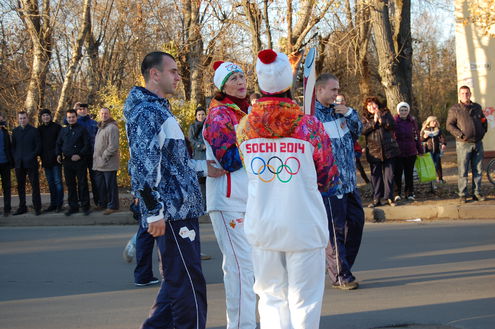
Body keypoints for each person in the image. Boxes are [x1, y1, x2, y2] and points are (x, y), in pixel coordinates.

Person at [236, 49, 339, 329]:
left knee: (270, 299)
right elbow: (328, 176)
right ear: (287, 84)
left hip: (263, 225)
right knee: (304, 301)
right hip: (303, 225)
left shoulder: (244, 128)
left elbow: (249, 169)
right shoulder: (309, 127)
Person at [123, 51, 224, 329]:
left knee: (177, 281)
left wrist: (206, 168)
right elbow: (143, 167)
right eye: (173, 71)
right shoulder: (147, 112)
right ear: (155, 74)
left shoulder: (159, 109)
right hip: (172, 213)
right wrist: (153, 212)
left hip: (180, 209)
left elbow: (174, 165)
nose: (179, 76)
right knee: (189, 286)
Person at [202, 60, 256, 329]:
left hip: (248, 200)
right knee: (240, 268)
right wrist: (255, 138)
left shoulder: (244, 111)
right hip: (227, 202)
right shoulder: (219, 115)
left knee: (250, 267)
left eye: (242, 76)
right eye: (233, 78)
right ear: (222, 86)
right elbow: (229, 160)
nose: (240, 81)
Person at [314, 74, 364, 291]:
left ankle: (341, 267)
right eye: (333, 90)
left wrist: (351, 114)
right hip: (329, 185)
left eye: (338, 90)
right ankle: (340, 275)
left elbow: (358, 131)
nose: (337, 94)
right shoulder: (311, 116)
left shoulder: (341, 113)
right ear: (319, 91)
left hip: (349, 182)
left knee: (356, 223)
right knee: (335, 232)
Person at [447, 85, 487, 203]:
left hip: (478, 143)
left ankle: (477, 193)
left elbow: (483, 120)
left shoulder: (477, 107)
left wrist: (483, 131)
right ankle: (462, 194)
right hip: (463, 144)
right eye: (463, 93)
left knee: (478, 170)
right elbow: (449, 125)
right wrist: (460, 135)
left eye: (467, 93)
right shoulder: (455, 109)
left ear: (470, 94)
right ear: (459, 95)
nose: (465, 95)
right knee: (463, 170)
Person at [361, 97, 401, 208]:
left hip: (389, 150)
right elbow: (363, 131)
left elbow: (393, 126)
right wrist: (373, 122)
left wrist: (381, 121)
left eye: (373, 104)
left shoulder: (386, 113)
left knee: (389, 175)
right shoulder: (364, 118)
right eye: (369, 105)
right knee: (376, 176)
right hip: (374, 152)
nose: (372, 107)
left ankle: (389, 197)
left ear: (378, 105)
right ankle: (376, 198)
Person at [56, 109, 92, 216]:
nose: (71, 119)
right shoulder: (63, 130)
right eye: (69, 117)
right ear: (66, 118)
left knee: (82, 184)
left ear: (76, 117)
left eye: (73, 117)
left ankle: (85, 206)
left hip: (80, 161)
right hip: (67, 161)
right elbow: (58, 143)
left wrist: (79, 155)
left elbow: (87, 145)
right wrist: (58, 154)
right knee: (70, 185)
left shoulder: (82, 129)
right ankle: (73, 206)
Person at [11, 111, 42, 216]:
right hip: (19, 163)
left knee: (35, 185)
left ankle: (37, 207)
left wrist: (32, 156)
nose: (22, 120)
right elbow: (13, 147)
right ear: (18, 119)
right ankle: (22, 207)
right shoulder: (15, 131)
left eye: (24, 118)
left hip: (31, 162)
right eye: (20, 118)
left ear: (27, 118)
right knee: (20, 186)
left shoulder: (34, 131)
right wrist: (16, 157)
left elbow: (38, 146)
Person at [335, 94, 370, 184]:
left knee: (357, 166)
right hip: (337, 151)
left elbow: (358, 130)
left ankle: (365, 180)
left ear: (345, 102)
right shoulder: (331, 115)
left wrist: (348, 124)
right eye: (338, 100)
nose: (340, 102)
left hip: (352, 148)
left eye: (342, 100)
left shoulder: (351, 113)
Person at [393, 102, 422, 202]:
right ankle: (396, 193)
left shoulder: (412, 121)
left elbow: (417, 136)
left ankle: (409, 193)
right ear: (398, 111)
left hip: (411, 151)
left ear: (408, 111)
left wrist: (420, 149)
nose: (403, 112)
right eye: (401, 110)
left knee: (409, 174)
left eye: (405, 110)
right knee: (397, 173)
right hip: (398, 152)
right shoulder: (394, 121)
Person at [93, 107, 120, 215]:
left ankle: (113, 206)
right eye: (102, 113)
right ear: (99, 114)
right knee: (101, 186)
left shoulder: (112, 127)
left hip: (108, 162)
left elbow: (113, 146)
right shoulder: (101, 126)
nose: (104, 115)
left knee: (110, 186)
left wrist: (104, 156)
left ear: (109, 114)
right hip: (98, 163)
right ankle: (103, 204)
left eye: (106, 113)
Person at [38, 109, 64, 213]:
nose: (45, 117)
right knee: (50, 183)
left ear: (50, 116)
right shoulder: (39, 129)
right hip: (45, 160)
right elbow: (38, 144)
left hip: (56, 159)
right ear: (41, 117)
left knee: (58, 182)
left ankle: (59, 204)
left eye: (47, 115)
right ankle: (53, 204)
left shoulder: (57, 127)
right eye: (43, 115)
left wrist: (58, 154)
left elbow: (61, 142)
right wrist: (40, 156)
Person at [74, 102, 99, 207]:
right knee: (82, 179)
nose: (82, 111)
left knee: (95, 179)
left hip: (93, 155)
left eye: (84, 109)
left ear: (87, 110)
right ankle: (83, 202)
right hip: (81, 155)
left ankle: (98, 201)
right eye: (80, 109)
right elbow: (65, 120)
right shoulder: (75, 122)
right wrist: (74, 109)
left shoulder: (93, 123)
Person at [421, 116, 447, 189]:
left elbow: (442, 138)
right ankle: (432, 182)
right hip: (428, 151)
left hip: (436, 150)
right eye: (433, 121)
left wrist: (444, 144)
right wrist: (424, 137)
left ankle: (440, 178)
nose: (435, 123)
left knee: (437, 165)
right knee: (431, 166)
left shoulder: (438, 130)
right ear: (429, 122)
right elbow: (420, 140)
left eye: (435, 121)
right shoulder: (424, 130)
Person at [0, 113, 13, 216]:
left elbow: (9, 148)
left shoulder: (5, 133)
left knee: (7, 187)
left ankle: (7, 209)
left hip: (5, 163)